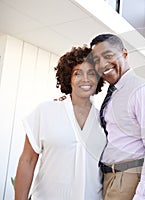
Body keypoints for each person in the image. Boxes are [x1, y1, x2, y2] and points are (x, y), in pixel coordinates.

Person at [14, 46, 106, 200]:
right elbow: (28, 160)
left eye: (91, 73)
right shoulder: (46, 111)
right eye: (78, 73)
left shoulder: (104, 121)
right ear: (68, 77)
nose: (85, 79)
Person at [90, 33, 145, 200]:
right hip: (109, 178)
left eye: (108, 56)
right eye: (96, 60)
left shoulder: (142, 91)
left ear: (124, 54)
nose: (103, 64)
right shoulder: (114, 92)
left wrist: (143, 196)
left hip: (128, 180)